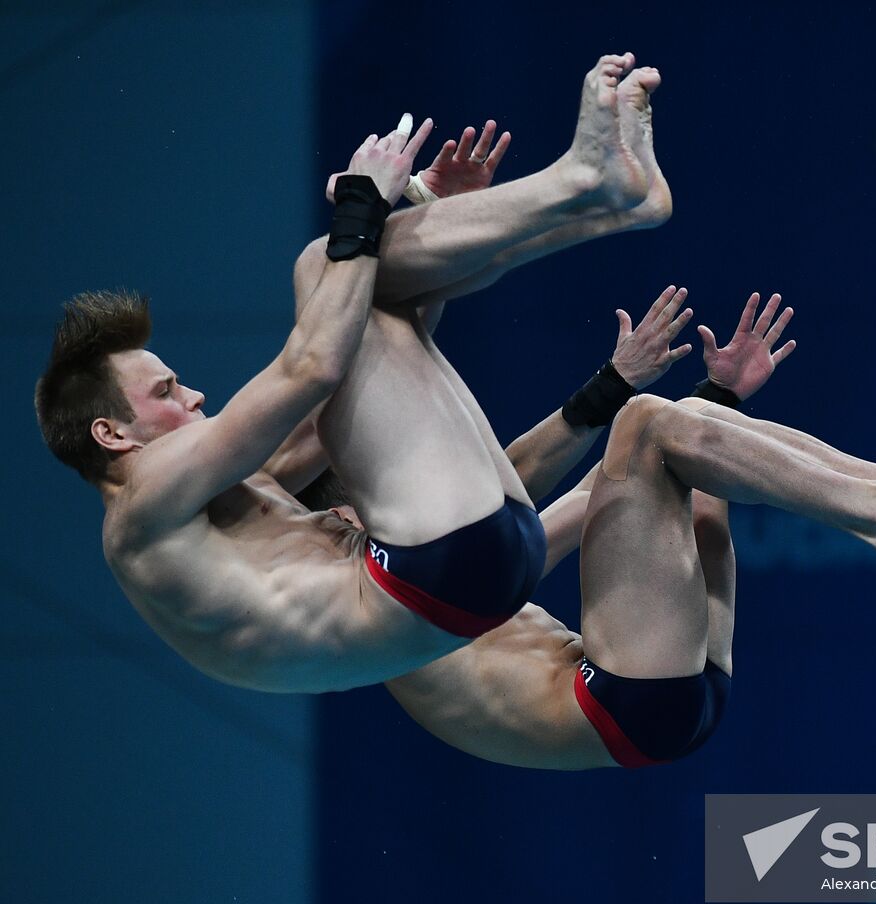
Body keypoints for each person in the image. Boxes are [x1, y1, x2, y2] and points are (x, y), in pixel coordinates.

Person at [34, 54, 674, 693]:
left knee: (354, 278)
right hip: (431, 577)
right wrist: (364, 208)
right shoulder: (141, 505)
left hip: (471, 567)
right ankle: (581, 179)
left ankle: (613, 206)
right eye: (166, 391)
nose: (196, 393)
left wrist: (432, 212)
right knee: (323, 263)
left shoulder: (221, 492)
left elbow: (361, 368)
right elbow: (310, 368)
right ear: (113, 435)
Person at [305, 286, 876, 769]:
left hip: (660, 694)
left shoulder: (434, 590)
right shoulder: (386, 609)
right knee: (646, 425)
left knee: (675, 432)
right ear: (345, 514)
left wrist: (713, 399)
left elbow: (595, 500)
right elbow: (537, 487)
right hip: (617, 699)